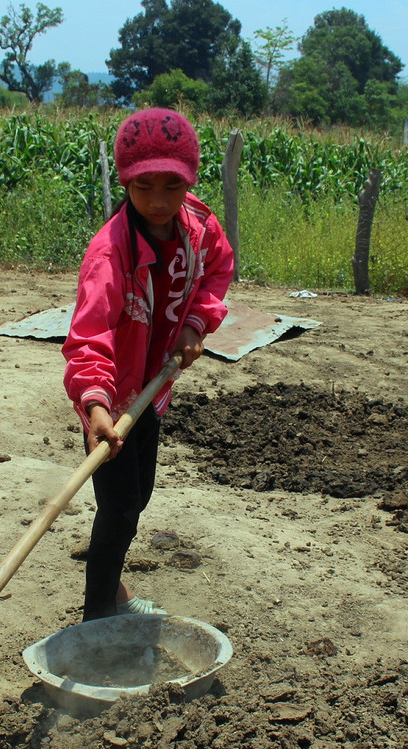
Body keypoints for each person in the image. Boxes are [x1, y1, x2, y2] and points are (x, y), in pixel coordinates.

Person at [62, 108, 235, 622]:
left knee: (137, 498)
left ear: (189, 181)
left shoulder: (199, 230)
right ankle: (98, 614)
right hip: (111, 400)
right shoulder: (110, 253)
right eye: (143, 188)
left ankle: (110, 584)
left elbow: (217, 274)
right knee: (118, 509)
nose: (158, 202)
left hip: (154, 390)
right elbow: (89, 336)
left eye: (171, 186)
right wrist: (94, 404)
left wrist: (196, 324)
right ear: (125, 182)